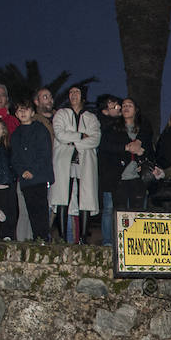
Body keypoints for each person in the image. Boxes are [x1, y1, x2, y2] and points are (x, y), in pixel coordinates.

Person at [51, 84, 100, 243]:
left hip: (84, 163)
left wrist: (73, 142)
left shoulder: (91, 117)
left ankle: (83, 238)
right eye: (71, 92)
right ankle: (63, 237)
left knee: (85, 199)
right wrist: (80, 136)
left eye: (77, 92)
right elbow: (60, 134)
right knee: (62, 197)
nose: (73, 94)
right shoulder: (61, 114)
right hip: (64, 162)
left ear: (82, 96)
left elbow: (95, 139)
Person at [11, 98, 54, 242]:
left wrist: (32, 170)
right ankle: (36, 239)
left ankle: (44, 239)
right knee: (30, 210)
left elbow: (45, 153)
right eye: (19, 110)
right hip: (25, 180)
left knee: (41, 209)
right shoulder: (16, 134)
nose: (23, 113)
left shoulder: (40, 129)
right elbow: (14, 157)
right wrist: (22, 171)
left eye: (26, 109)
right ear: (16, 114)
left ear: (32, 112)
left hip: (40, 177)